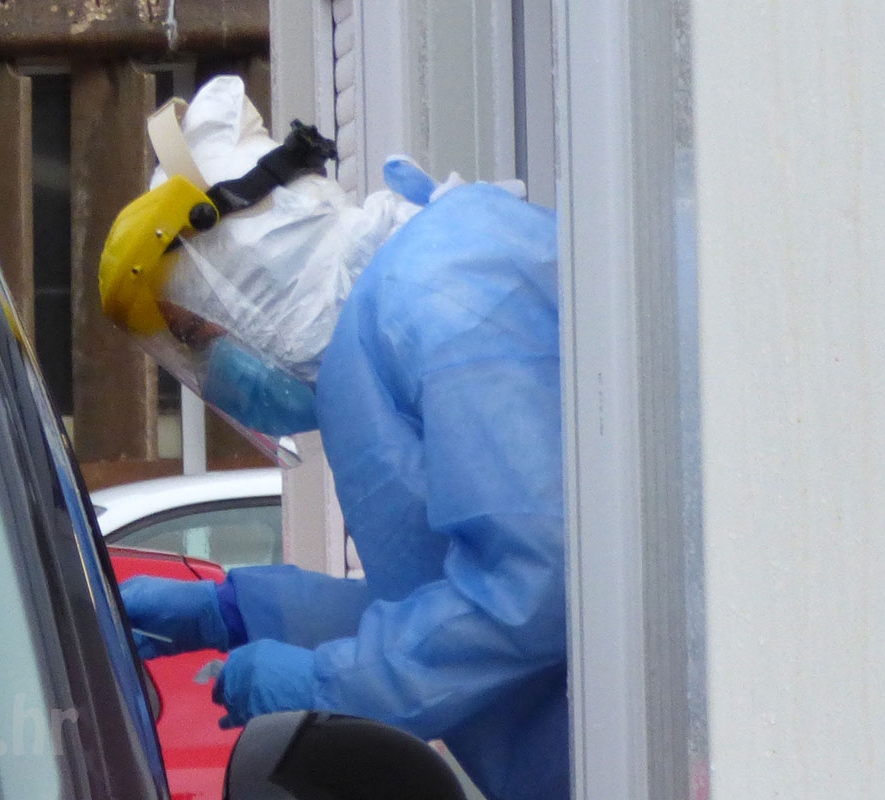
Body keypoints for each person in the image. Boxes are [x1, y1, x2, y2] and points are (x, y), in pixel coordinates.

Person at [99, 76, 566, 800]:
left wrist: (324, 685)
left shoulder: (438, 299)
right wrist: (237, 614)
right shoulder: (404, 306)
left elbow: (534, 587)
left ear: (247, 278)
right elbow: (441, 600)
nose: (210, 368)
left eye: (194, 333)